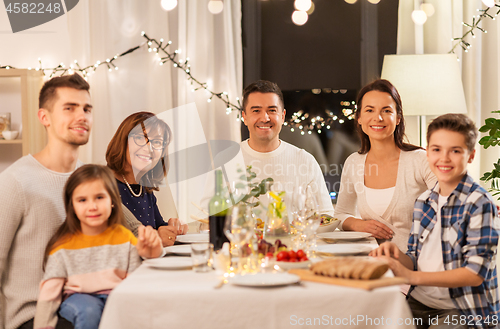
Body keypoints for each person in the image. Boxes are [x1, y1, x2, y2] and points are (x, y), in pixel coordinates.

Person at [370, 114, 499, 329]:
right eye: (437, 149)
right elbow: (415, 257)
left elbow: (474, 274)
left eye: (455, 151)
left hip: (461, 309)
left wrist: (411, 276)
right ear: (427, 152)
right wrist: (397, 255)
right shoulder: (423, 201)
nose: (444, 158)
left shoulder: (479, 203)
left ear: (471, 155)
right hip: (419, 302)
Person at [0, 74, 92, 329]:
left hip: (84, 304)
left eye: (86, 108)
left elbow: (124, 230)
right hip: (34, 317)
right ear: (45, 117)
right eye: (69, 108)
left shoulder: (90, 180)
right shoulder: (14, 183)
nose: (82, 116)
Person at [34, 165, 163, 329]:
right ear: (72, 206)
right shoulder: (62, 247)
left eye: (100, 197)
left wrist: (153, 252)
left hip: (116, 295)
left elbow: (135, 281)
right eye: (82, 200)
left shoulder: (124, 238)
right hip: (78, 297)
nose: (92, 206)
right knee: (89, 311)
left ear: (113, 201)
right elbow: (49, 294)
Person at [335, 79, 436, 252]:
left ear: (398, 118)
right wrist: (359, 225)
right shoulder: (353, 162)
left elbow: (450, 205)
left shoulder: (420, 160)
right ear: (359, 118)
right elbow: (341, 214)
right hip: (373, 262)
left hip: (419, 266)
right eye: (369, 110)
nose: (378, 118)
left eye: (386, 110)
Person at [240, 80, 334, 216]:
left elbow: (326, 216)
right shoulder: (226, 161)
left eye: (272, 110)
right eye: (256, 111)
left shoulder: (305, 160)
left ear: (282, 116)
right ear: (245, 117)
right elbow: (207, 219)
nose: (265, 118)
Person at [106, 111, 187, 247]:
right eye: (140, 138)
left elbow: (158, 228)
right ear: (123, 140)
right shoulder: (102, 185)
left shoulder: (144, 189)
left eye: (156, 142)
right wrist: (158, 237)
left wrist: (173, 227)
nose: (148, 147)